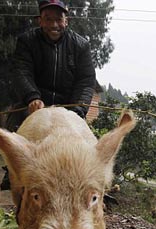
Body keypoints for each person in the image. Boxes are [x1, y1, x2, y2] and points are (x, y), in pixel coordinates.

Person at [6, 0, 96, 131]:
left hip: (69, 111)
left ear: (66, 21)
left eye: (59, 19)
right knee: (11, 138)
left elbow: (86, 81)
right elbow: (21, 71)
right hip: (32, 107)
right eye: (48, 19)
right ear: (40, 21)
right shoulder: (26, 41)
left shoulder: (81, 45)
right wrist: (32, 98)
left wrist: (78, 110)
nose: (54, 25)